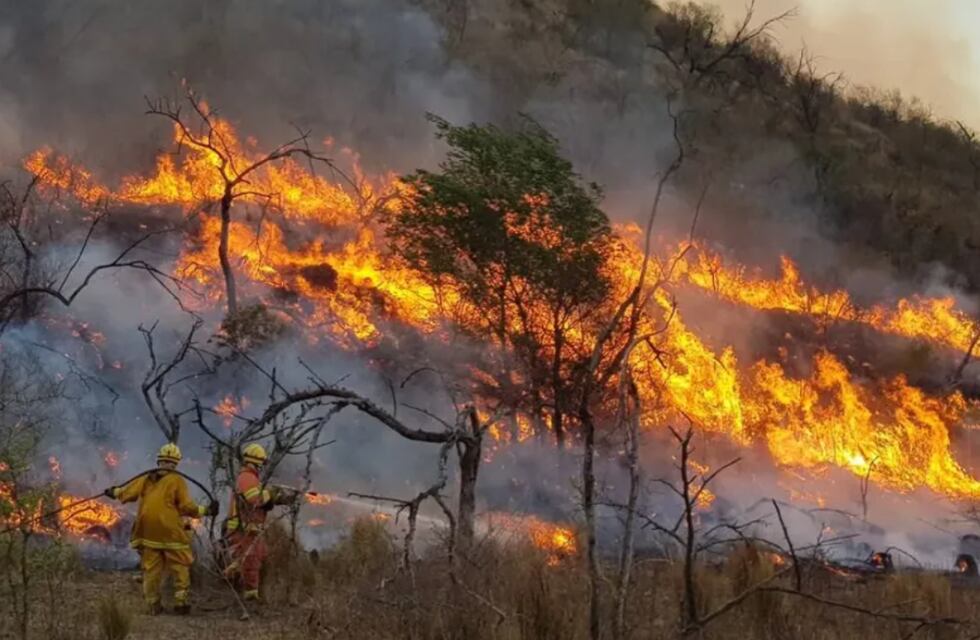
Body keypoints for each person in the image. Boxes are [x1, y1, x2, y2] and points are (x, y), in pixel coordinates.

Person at [105, 443, 218, 615]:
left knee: (151, 568)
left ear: (159, 460)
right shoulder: (176, 480)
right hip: (170, 530)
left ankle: (153, 605)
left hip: (147, 530)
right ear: (176, 463)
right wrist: (206, 511)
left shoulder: (146, 477)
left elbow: (128, 493)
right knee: (180, 563)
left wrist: (114, 492)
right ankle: (181, 602)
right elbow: (187, 506)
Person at [223, 443, 298, 601]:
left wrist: (282, 499)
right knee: (251, 561)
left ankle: (237, 583)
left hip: (251, 529)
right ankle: (249, 596)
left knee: (257, 556)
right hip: (243, 529)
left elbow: (262, 499)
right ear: (256, 462)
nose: (262, 467)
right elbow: (253, 498)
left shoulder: (251, 478)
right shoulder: (247, 477)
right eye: (261, 463)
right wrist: (270, 494)